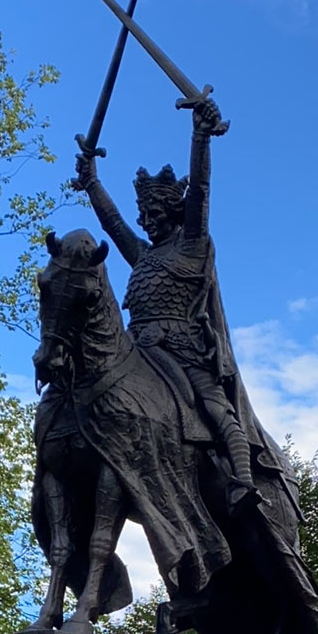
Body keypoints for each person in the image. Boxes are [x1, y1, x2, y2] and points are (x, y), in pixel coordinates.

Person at [74, 97, 260, 513]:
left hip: (182, 350)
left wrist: (200, 137)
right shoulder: (144, 256)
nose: (146, 219)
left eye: (155, 210)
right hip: (138, 348)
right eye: (144, 212)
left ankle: (243, 479)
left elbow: (202, 192)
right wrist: (91, 183)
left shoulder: (191, 245)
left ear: (173, 211)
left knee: (214, 406)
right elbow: (113, 224)